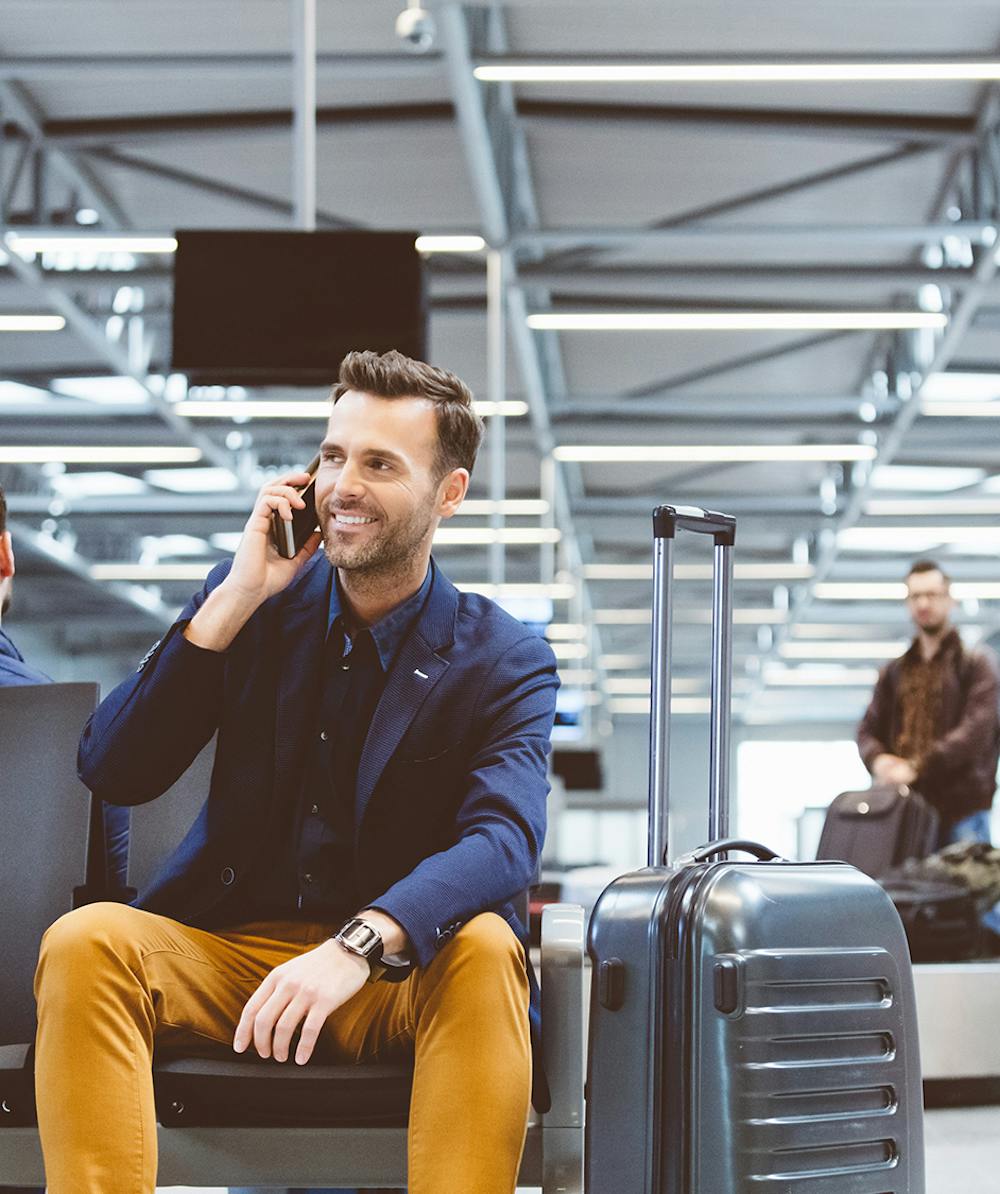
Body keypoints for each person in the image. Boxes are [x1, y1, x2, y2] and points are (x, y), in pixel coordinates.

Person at [32, 350, 559, 1194]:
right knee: (86, 943)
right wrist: (236, 597)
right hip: (234, 959)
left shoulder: (502, 657)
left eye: (380, 464)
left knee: (489, 946)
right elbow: (113, 768)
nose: (343, 485)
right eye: (333, 457)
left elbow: (504, 841)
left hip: (396, 976)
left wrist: (361, 942)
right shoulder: (250, 603)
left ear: (449, 493)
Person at [857, 559, 1000, 844]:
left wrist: (917, 767)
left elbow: (976, 732)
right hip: (904, 811)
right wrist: (879, 760)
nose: (923, 603)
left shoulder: (975, 664)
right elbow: (866, 730)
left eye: (932, 595)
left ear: (949, 599)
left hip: (962, 811)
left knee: (967, 875)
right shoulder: (895, 671)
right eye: (915, 596)